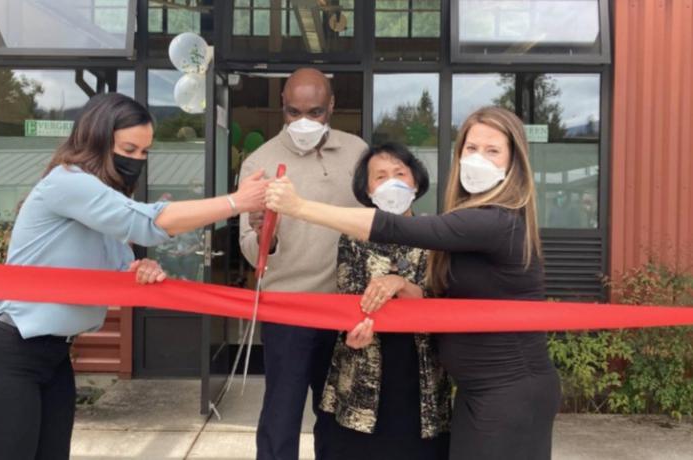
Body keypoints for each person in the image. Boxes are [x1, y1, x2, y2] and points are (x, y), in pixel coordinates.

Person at [0, 93, 269, 460]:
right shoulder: (68, 182)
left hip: (53, 354)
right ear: (98, 140)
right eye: (129, 149)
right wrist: (236, 202)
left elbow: (120, 265)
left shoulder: (102, 200)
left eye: (144, 152)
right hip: (5, 348)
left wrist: (139, 271)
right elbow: (149, 223)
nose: (136, 160)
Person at [265, 106, 561, 460]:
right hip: (474, 391)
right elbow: (444, 300)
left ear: (514, 163)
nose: (478, 159)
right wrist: (407, 291)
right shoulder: (471, 219)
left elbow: (395, 227)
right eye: (471, 148)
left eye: (492, 150)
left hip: (509, 391)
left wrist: (299, 207)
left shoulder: (496, 222)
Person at [238, 68, 367, 460]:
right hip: (286, 307)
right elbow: (249, 247)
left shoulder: (358, 152)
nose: (304, 122)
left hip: (345, 307)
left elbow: (375, 225)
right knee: (282, 412)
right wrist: (264, 233)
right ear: (282, 106)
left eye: (315, 111)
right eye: (294, 112)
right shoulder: (259, 161)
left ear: (332, 106)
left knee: (337, 414)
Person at [319, 143, 450, 460]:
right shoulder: (354, 236)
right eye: (380, 176)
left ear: (415, 182)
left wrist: (401, 285)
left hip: (420, 376)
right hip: (362, 371)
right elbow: (347, 296)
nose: (392, 182)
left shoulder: (436, 233)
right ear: (366, 188)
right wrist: (353, 334)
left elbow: (441, 301)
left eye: (399, 174)